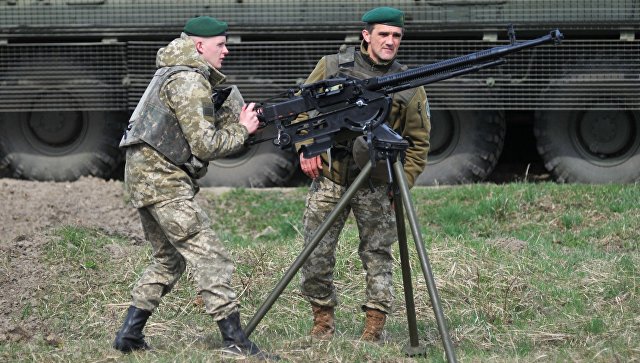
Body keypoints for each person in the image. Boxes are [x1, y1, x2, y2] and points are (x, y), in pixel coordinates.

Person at [113, 16, 275, 360]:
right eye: (221, 44)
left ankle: (129, 335)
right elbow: (205, 145)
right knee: (211, 257)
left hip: (147, 180)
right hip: (163, 182)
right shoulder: (188, 80)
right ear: (200, 46)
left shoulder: (174, 72)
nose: (227, 50)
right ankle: (235, 343)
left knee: (168, 261)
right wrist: (244, 129)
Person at [297, 7, 431, 342]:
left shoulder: (409, 86)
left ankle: (374, 328)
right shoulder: (332, 67)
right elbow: (300, 108)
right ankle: (322, 321)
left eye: (396, 36)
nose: (390, 41)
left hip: (375, 183)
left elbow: (418, 143)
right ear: (366, 36)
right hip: (331, 176)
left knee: (378, 257)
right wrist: (307, 147)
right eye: (383, 34)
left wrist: (401, 184)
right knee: (315, 253)